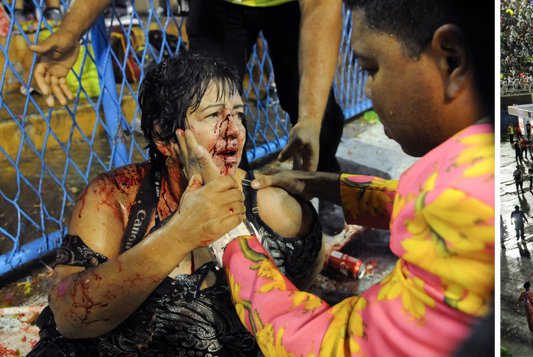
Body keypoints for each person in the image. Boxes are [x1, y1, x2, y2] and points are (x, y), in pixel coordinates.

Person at [213, 0, 495, 353]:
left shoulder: (453, 207)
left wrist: (232, 242)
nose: (366, 91)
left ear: (450, 60)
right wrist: (324, 186)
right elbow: (420, 201)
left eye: (370, 68)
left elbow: (331, 346)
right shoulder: (477, 164)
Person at [28, 54, 323, 355]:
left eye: (238, 114)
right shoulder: (117, 197)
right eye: (213, 116)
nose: (234, 130)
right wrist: (180, 233)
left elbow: (302, 300)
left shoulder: (269, 206)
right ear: (163, 136)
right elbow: (69, 318)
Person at [33, 0, 348, 212]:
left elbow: (322, 6)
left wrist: (309, 116)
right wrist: (71, 30)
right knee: (209, 103)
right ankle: (238, 200)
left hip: (290, 7)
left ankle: (326, 177)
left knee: (317, 111)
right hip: (218, 8)